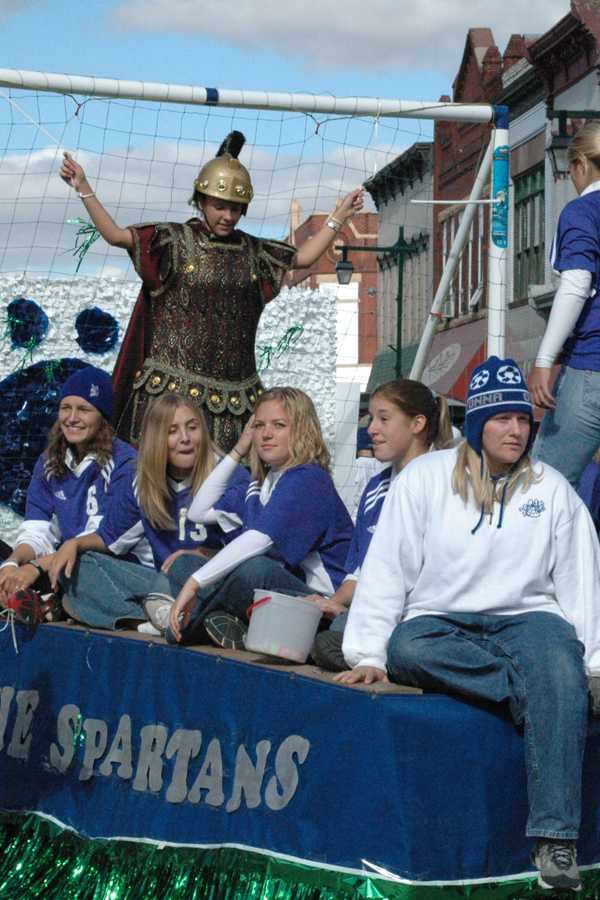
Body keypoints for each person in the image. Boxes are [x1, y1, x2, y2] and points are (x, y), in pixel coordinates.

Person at [337, 356, 600, 893]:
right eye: (504, 419)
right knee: (407, 646)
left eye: (524, 420)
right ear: (478, 423)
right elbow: (390, 564)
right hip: (443, 621)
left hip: (530, 618)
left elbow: (580, 579)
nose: (517, 430)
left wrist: (592, 663)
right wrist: (367, 653)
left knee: (560, 665)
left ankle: (555, 840)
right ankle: (539, 692)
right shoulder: (426, 479)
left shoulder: (550, 488)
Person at [59, 133, 364, 451]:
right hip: (167, 399)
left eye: (235, 208)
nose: (228, 216)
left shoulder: (253, 251)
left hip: (235, 404)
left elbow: (303, 257)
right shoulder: (173, 241)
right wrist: (83, 186)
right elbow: (116, 236)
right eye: (220, 206)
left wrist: (339, 216)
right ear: (201, 201)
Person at [145, 387, 353, 649]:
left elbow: (259, 540)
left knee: (252, 569)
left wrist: (194, 585)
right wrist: (238, 451)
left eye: (279, 425)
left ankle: (193, 626)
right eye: (259, 425)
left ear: (302, 430)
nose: (266, 434)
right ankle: (228, 624)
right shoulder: (260, 484)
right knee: (185, 563)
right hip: (276, 600)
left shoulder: (309, 478)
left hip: (321, 602)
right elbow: (199, 511)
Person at [53, 393, 248, 631]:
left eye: (192, 428)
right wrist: (74, 544)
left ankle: (185, 621)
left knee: (185, 565)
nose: (185, 438)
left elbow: (252, 552)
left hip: (214, 585)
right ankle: (156, 619)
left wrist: (200, 554)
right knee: (81, 566)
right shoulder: (143, 481)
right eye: (172, 431)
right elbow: (109, 536)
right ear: (156, 439)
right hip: (164, 588)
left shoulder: (230, 477)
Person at [311, 379, 452, 671]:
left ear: (417, 424)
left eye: (384, 419)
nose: (371, 429)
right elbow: (361, 569)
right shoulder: (375, 488)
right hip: (375, 610)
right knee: (320, 628)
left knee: (336, 638)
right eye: (371, 418)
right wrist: (331, 604)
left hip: (424, 615)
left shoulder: (447, 480)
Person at [0, 366, 137, 606]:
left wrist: (33, 568)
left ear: (103, 417)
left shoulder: (125, 463)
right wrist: (12, 564)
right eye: (66, 408)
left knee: (85, 564)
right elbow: (38, 529)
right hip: (61, 563)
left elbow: (101, 541)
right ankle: (29, 600)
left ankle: (46, 602)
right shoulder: (49, 461)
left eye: (84, 409)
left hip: (108, 567)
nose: (72, 418)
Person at [530, 121, 600, 485]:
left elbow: (576, 281)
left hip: (592, 366)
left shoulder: (583, 211)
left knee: (545, 487)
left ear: (581, 165)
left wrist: (544, 358)